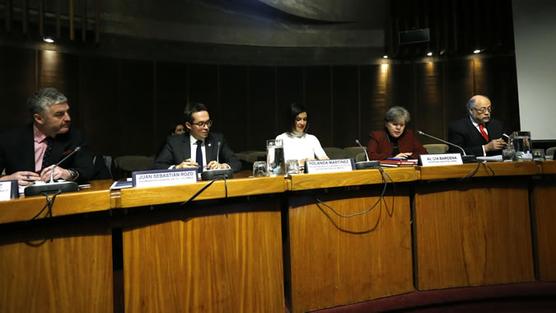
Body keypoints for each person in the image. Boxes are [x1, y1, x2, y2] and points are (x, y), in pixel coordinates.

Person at [0, 87, 94, 186]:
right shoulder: (8, 140)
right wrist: (7, 179)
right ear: (39, 118)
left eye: (67, 112)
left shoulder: (75, 136)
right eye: (59, 114)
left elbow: (87, 170)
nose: (68, 118)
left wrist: (68, 173)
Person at [153, 102, 241, 172]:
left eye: (208, 123)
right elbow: (158, 166)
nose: (206, 127)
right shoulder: (174, 142)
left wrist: (222, 166)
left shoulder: (217, 140)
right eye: (201, 124)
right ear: (188, 125)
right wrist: (178, 168)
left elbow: (236, 163)